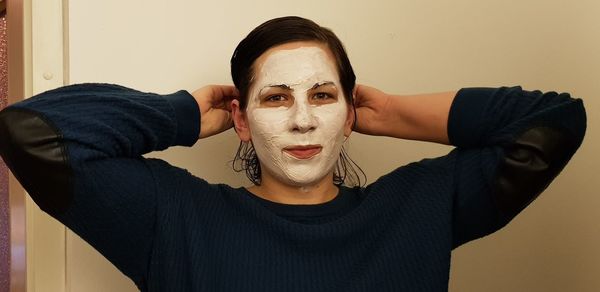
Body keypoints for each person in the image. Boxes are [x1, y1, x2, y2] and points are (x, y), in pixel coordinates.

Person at [0, 16, 586, 291]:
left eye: (324, 96)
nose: (304, 118)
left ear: (350, 114)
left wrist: (396, 114)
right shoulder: (172, 217)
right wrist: (181, 113)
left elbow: (554, 121)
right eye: (276, 98)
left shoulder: (420, 207)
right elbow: (31, 131)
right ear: (242, 118)